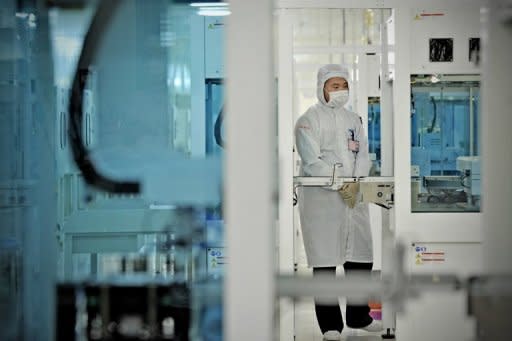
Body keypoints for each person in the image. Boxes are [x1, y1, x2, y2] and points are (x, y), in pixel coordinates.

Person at [294, 64, 383, 340]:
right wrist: (339, 181)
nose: (340, 91)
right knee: (325, 265)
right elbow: (311, 161)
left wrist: (357, 178)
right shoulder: (308, 120)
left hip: (353, 198)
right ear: (321, 88)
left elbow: (364, 154)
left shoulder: (353, 119)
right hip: (323, 200)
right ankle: (330, 326)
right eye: (334, 86)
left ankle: (358, 316)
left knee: (361, 259)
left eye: (343, 86)